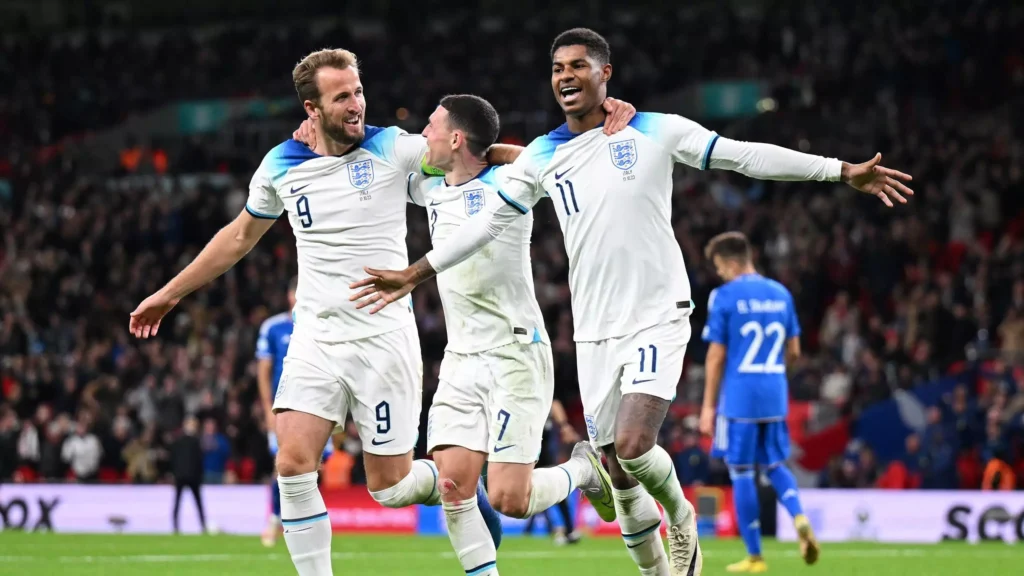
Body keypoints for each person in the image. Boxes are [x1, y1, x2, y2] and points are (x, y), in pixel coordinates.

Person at [347, 28, 913, 576]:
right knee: (617, 476)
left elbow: (742, 155)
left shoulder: (656, 130)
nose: (565, 76)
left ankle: (682, 513)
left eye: (577, 66)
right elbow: (486, 220)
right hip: (594, 331)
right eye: (557, 69)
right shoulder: (543, 155)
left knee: (637, 447)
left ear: (605, 74)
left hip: (657, 314)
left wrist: (839, 171)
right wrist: (416, 272)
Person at [128, 48, 511, 576]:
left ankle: (458, 486)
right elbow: (239, 236)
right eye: (342, 97)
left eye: (357, 91)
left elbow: (467, 153)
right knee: (291, 464)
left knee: (391, 488)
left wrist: (538, 158)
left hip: (382, 341)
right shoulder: (281, 164)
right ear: (312, 108)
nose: (356, 104)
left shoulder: (392, 148)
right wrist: (171, 292)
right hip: (315, 339)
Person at [405, 95, 615, 575]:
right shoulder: (428, 188)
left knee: (508, 499)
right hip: (460, 357)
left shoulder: (510, 181)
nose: (423, 136)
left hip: (514, 351)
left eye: (431, 126)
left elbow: (569, 162)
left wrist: (497, 151)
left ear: (457, 138)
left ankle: (584, 470)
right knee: (454, 486)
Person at [698, 231, 818, 573]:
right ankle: (799, 517)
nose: (719, 273)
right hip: (774, 394)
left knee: (741, 473)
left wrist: (708, 407)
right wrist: (778, 376)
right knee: (775, 465)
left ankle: (755, 556)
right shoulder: (781, 294)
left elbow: (716, 357)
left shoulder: (723, 296)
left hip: (739, 399)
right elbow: (793, 352)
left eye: (720, 266)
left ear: (731, 261)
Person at [257, 277, 336, 547]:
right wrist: (268, 409)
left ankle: (304, 523)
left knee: (315, 469)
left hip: (319, 407)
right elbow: (263, 371)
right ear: (290, 296)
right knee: (283, 467)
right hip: (284, 408)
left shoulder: (325, 325)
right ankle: (274, 521)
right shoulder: (274, 327)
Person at [170, 416, 207, 534]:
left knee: (179, 501)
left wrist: (175, 473)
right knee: (197, 502)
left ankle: (176, 526)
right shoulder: (196, 442)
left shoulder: (178, 441)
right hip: (192, 476)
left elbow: (173, 459)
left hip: (182, 476)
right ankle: (202, 525)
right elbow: (199, 460)